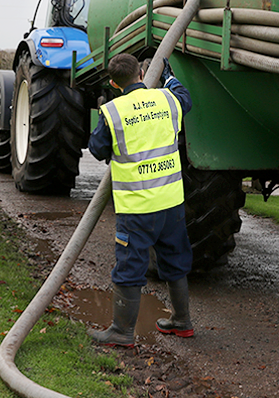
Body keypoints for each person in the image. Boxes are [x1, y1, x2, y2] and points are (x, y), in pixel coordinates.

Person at [87, 53, 195, 347]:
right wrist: (169, 76)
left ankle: (122, 332)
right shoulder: (166, 99)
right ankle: (182, 321)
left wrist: (102, 117)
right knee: (175, 261)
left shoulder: (112, 112)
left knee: (129, 269)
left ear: (113, 83)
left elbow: (96, 149)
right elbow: (185, 98)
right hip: (171, 204)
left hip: (137, 210)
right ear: (141, 72)